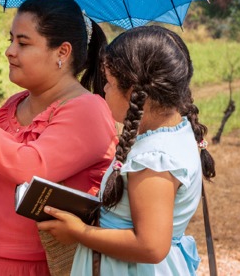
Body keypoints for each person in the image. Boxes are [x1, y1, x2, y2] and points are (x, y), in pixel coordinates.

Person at [0, 0, 117, 275]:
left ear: (62, 52)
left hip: (49, 266)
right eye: (11, 40)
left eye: (22, 42)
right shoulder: (12, 106)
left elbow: (31, 168)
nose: (10, 51)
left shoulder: (87, 109)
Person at [38, 25, 217, 275]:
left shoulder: (154, 159)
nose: (104, 90)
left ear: (133, 93)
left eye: (109, 83)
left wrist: (78, 232)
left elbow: (151, 246)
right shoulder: (174, 132)